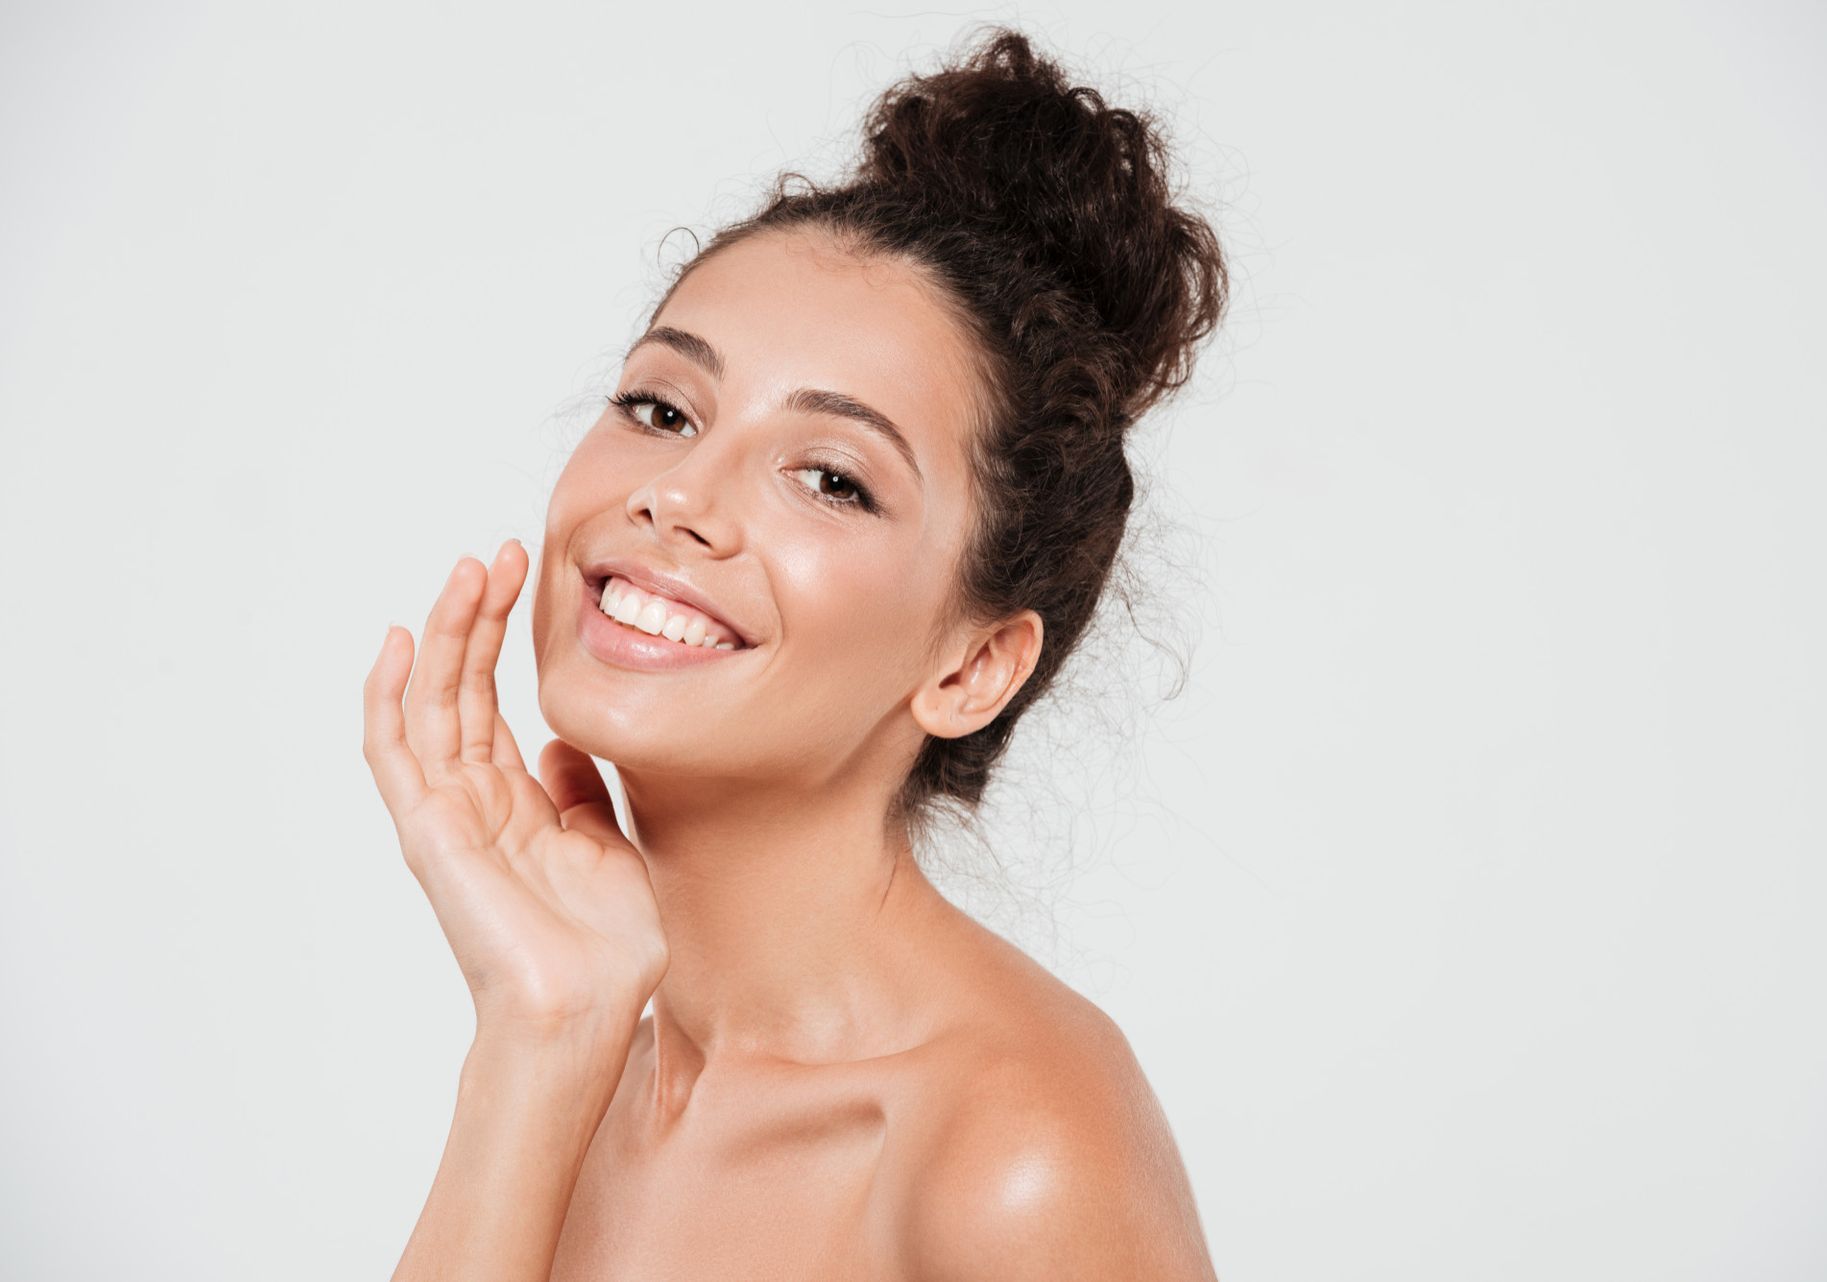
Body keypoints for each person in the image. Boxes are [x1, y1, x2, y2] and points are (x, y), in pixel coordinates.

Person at [361, 24, 1229, 1280]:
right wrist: (537, 1038)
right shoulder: (581, 1047)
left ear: (975, 664)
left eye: (830, 477)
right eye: (662, 408)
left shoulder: (1016, 1150)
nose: (676, 496)